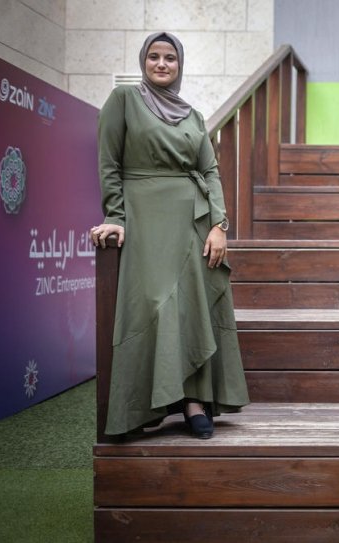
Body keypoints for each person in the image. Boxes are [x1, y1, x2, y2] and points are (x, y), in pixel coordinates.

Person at [90, 32, 249, 439]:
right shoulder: (123, 101)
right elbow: (109, 163)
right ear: (144, 61)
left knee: (191, 307)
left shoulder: (193, 115)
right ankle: (140, 407)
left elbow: (209, 171)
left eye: (171, 58)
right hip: (144, 217)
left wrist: (219, 224)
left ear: (180, 65)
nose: (162, 64)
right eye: (155, 57)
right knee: (149, 305)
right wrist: (115, 215)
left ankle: (195, 403)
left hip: (193, 221)